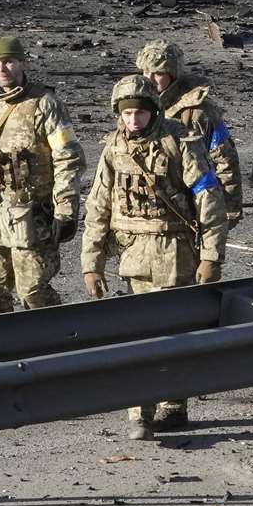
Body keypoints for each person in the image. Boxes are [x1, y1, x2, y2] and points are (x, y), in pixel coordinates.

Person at [80, 75, 231, 439]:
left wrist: (211, 256)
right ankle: (140, 412)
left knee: (174, 334)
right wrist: (92, 262)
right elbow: (99, 204)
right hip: (133, 253)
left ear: (154, 112)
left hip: (176, 252)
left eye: (140, 113)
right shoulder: (114, 147)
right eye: (127, 113)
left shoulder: (181, 141)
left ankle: (174, 405)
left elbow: (208, 198)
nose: (134, 120)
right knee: (141, 335)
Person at [0, 36, 85, 315]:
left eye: (8, 62)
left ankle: (58, 343)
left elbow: (67, 159)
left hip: (33, 218)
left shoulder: (45, 105)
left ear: (22, 63)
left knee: (33, 290)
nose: (2, 69)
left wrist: (66, 212)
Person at [135, 38, 243, 225]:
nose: (150, 79)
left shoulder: (198, 112)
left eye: (158, 73)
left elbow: (224, 159)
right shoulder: (138, 108)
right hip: (148, 209)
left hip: (191, 206)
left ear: (173, 74)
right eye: (146, 72)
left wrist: (229, 210)